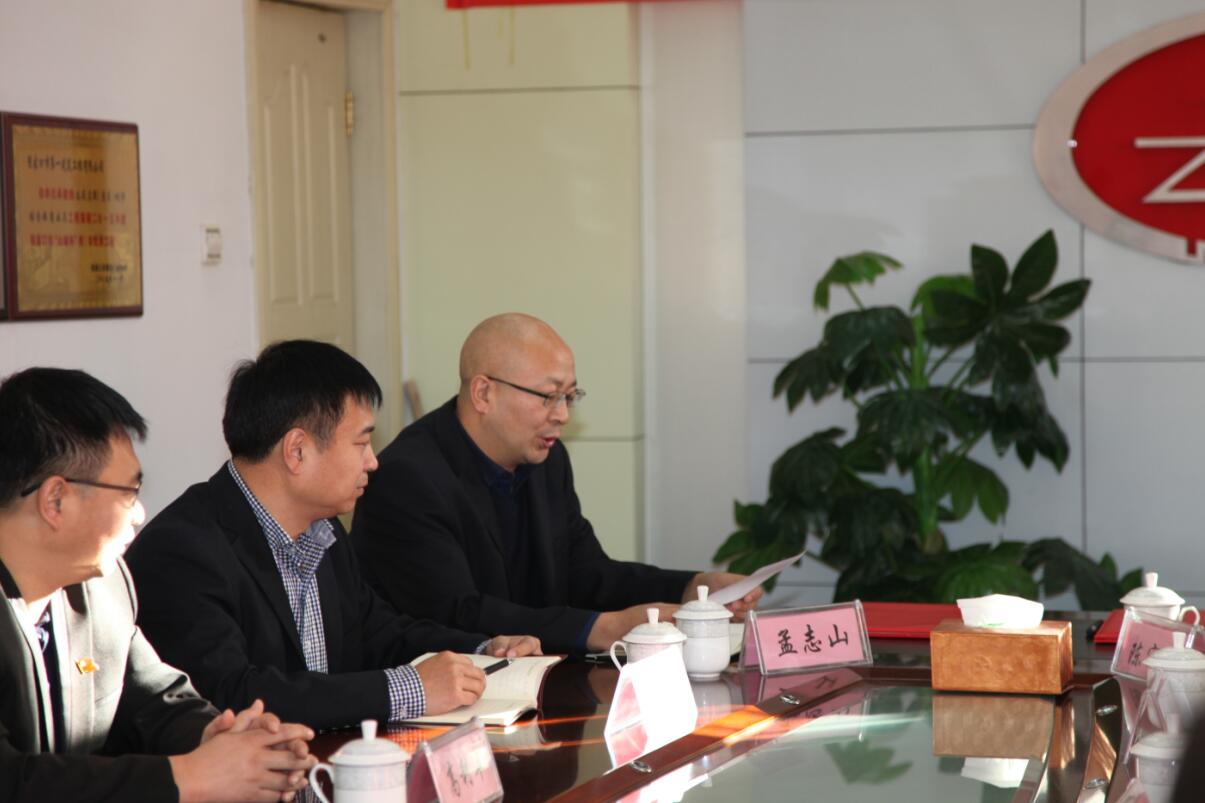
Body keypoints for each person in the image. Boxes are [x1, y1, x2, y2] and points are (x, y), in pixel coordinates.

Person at [126, 340, 541, 733]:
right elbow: (233, 696)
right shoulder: (181, 551)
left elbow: (379, 633)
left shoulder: (322, 529)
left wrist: (483, 650)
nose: (373, 462)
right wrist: (408, 689)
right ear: (297, 451)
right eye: (362, 442)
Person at [351, 313, 763, 655]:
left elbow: (587, 574)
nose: (563, 414)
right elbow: (456, 613)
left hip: (533, 682)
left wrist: (691, 588)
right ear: (483, 393)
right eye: (548, 397)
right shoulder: (408, 477)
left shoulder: (547, 460)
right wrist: (600, 629)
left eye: (570, 396)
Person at [0, 367, 315, 803]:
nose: (139, 514)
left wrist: (218, 737)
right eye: (128, 492)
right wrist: (188, 775)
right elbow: (11, 780)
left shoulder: (106, 587)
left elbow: (155, 701)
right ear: (56, 500)